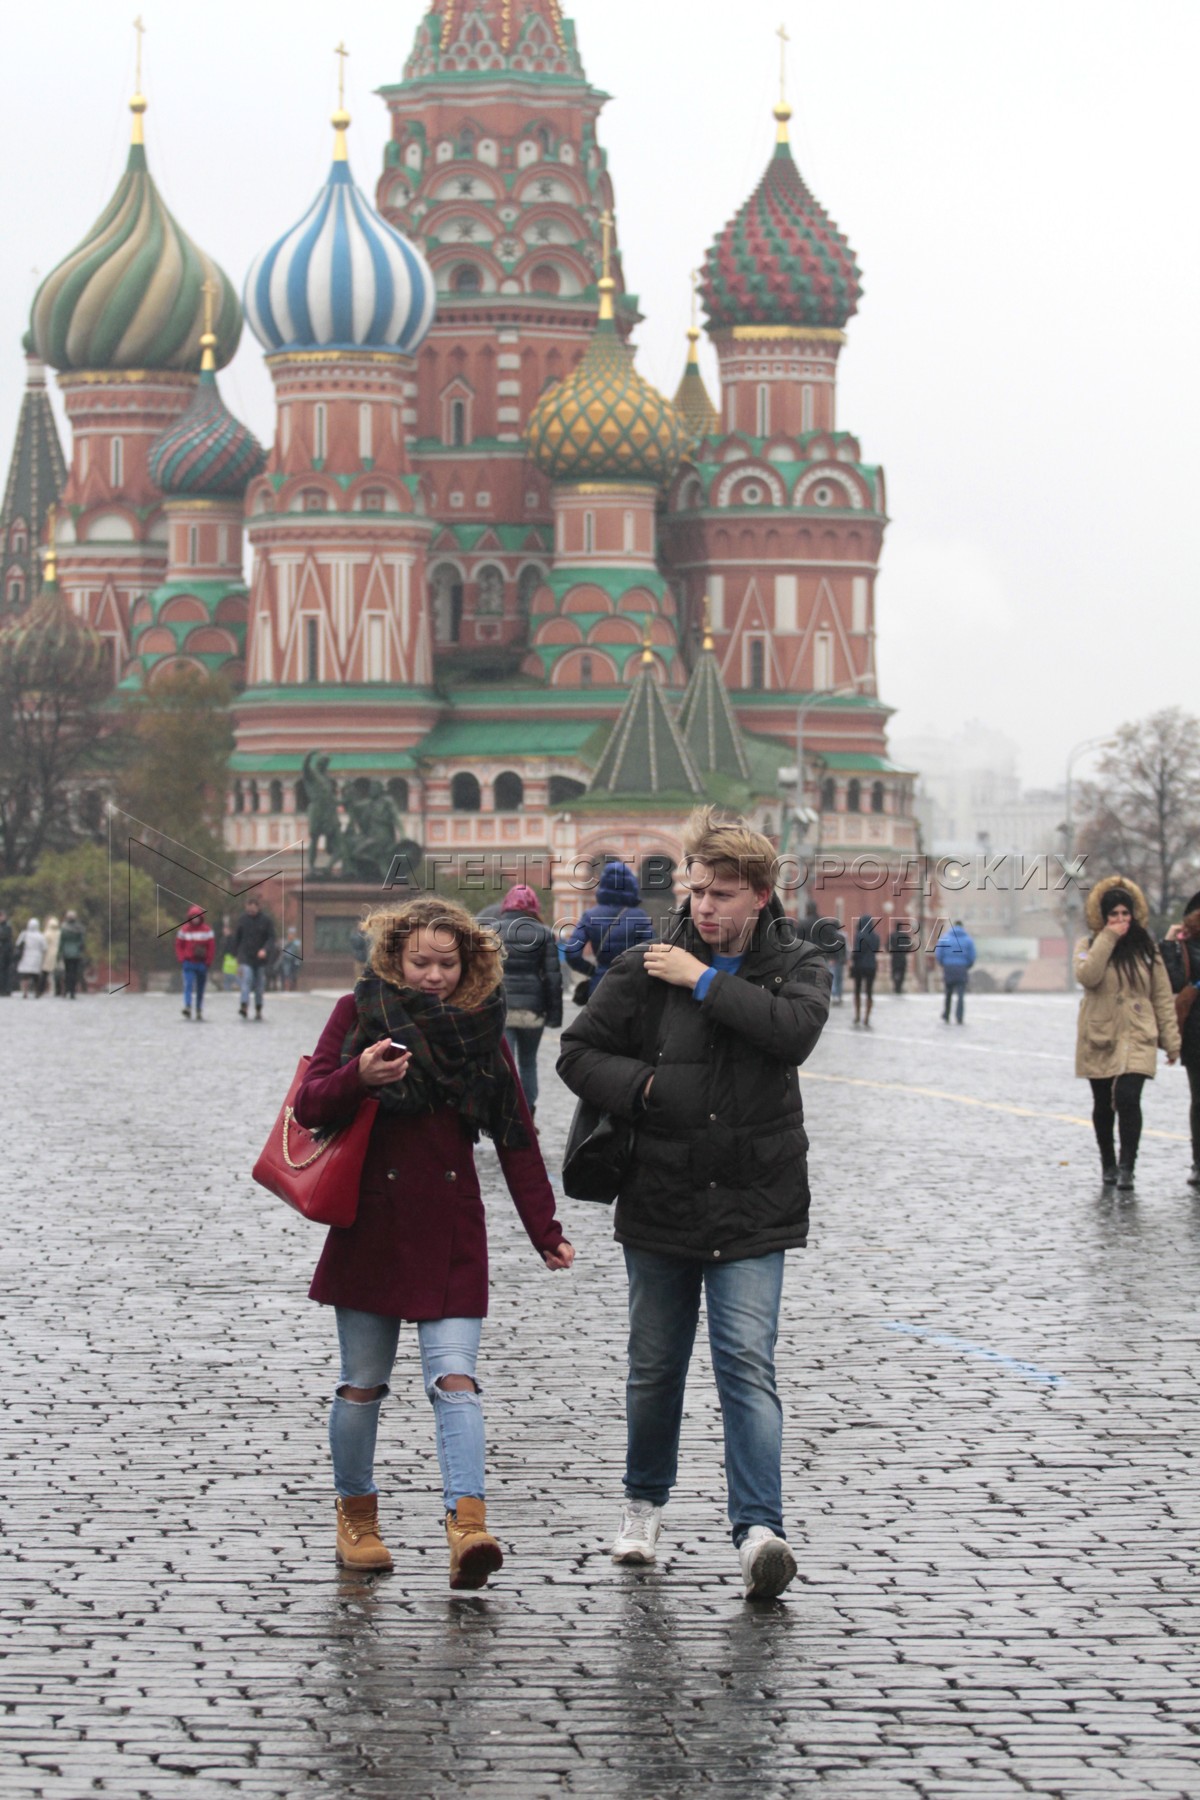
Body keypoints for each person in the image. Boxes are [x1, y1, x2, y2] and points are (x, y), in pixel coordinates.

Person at [558, 808, 831, 1601]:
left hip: (754, 1200)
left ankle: (759, 1531)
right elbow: (578, 1053)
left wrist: (705, 982)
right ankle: (643, 1506)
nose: (705, 906)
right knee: (655, 1367)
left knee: (747, 1365)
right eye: (697, 890)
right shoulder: (648, 962)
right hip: (661, 1196)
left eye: (723, 893)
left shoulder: (797, 963)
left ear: (761, 896)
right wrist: (642, 1088)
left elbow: (792, 1034)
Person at [293, 897, 574, 1586]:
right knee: (362, 1385)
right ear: (395, 956)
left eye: (447, 963)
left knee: (456, 1382)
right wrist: (359, 1076)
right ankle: (357, 1519)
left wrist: (546, 1230)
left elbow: (516, 1136)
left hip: (450, 1226)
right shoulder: (358, 1014)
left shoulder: (483, 1029)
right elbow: (308, 1102)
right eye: (420, 961)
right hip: (371, 1223)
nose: (433, 976)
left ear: (468, 964)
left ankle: (468, 1525)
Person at [1076, 876, 1178, 1190]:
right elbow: (1087, 975)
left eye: (1124, 914)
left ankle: (1126, 1166)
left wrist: (1171, 1041)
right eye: (1113, 915)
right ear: (1103, 917)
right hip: (1101, 1034)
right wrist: (1107, 938)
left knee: (1128, 1097)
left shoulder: (1146, 949)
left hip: (1138, 1033)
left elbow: (1161, 995)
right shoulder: (1089, 945)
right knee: (1104, 1102)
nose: (1120, 921)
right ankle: (1107, 1161)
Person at [494, 884, 563, 1119]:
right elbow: (553, 978)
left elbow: (483, 976)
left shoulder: (492, 931)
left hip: (501, 1008)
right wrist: (554, 1017)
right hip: (534, 1010)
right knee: (528, 1063)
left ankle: (508, 1112)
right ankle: (528, 1113)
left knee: (506, 1064)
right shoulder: (544, 933)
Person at [564, 860, 652, 1001]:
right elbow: (651, 954)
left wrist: (593, 971)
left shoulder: (590, 916)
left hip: (599, 987)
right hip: (631, 989)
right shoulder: (639, 916)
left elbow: (571, 953)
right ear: (630, 885)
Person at [1161, 890, 1200, 1186]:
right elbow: (1173, 981)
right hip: (1196, 1031)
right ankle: (1198, 1161)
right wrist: (1170, 943)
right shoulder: (1185, 946)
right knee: (1198, 1099)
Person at [232, 897, 276, 1020]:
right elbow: (237, 938)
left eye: (252, 909)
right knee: (247, 980)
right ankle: (244, 1006)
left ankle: (258, 1008)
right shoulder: (242, 920)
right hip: (246, 957)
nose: (250, 911)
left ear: (258, 907)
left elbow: (271, 938)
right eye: (248, 909)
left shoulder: (266, 921)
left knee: (259, 986)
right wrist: (236, 955)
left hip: (260, 959)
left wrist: (265, 950)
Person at [176, 904, 216, 1021]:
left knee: (200, 987)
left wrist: (208, 961)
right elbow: (179, 945)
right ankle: (188, 1006)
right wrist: (182, 958)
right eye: (193, 917)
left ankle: (198, 1008)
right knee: (188, 984)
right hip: (189, 962)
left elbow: (211, 947)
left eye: (197, 917)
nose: (195, 919)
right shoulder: (184, 930)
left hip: (202, 963)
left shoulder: (207, 930)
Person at [936, 920, 976, 1023]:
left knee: (948, 992)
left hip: (948, 967)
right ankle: (959, 1016)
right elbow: (972, 956)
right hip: (961, 968)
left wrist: (943, 963)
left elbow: (939, 953)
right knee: (961, 994)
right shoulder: (968, 940)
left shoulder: (945, 938)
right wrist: (967, 965)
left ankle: (946, 1014)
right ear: (962, 927)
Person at [850, 914, 880, 1028]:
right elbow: (876, 950)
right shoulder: (876, 936)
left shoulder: (859, 935)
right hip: (871, 965)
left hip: (859, 966)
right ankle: (867, 1017)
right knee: (869, 991)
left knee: (857, 990)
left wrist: (853, 960)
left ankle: (857, 1015)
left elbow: (857, 951)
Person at [15, 918, 46, 998]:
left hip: (26, 956)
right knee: (36, 976)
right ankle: (36, 992)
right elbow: (45, 947)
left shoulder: (24, 934)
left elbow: (18, 944)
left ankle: (25, 992)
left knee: (25, 976)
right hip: (37, 957)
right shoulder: (40, 936)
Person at [59, 911, 86, 1000]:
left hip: (66, 952)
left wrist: (60, 952)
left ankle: (66, 990)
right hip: (76, 953)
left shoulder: (63, 928)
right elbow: (82, 941)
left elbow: (61, 941)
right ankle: (72, 991)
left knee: (67, 972)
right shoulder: (79, 928)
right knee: (74, 973)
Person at [42, 915, 62, 998]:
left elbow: (44, 944)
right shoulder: (60, 933)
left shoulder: (47, 933)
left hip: (48, 954)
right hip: (58, 954)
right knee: (57, 973)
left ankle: (41, 989)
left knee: (45, 972)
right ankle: (58, 990)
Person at [279, 925, 302, 992]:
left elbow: (298, 951)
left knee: (294, 974)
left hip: (294, 960)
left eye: (292, 933)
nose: (291, 935)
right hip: (286, 960)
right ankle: (286, 987)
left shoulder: (297, 942)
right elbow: (282, 949)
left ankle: (293, 987)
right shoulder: (285, 941)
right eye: (290, 933)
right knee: (286, 974)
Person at [0, 910, 13, 997]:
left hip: (5, 951)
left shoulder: (7, 926)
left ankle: (5, 988)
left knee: (5, 970)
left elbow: (6, 937)